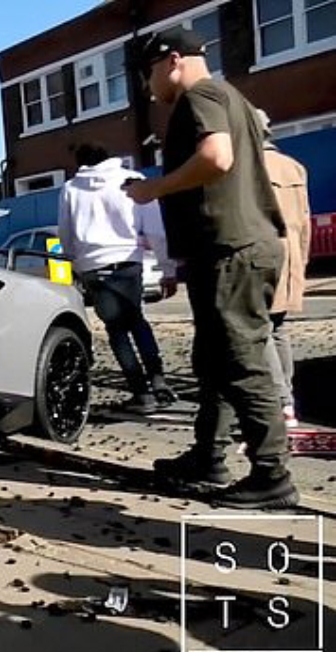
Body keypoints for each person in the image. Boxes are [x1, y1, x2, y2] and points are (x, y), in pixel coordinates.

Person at [125, 28, 295, 509]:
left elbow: (217, 158)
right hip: (228, 249)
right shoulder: (229, 96)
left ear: (173, 60)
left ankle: (272, 475)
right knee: (216, 363)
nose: (147, 88)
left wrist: (153, 190)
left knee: (241, 364)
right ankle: (208, 457)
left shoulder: (201, 95)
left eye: (148, 73)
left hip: (231, 251)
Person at [58, 143, 177, 412]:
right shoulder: (133, 180)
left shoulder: (70, 188)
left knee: (117, 331)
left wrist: (75, 264)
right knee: (137, 319)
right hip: (129, 262)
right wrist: (167, 270)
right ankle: (158, 379)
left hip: (93, 266)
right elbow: (156, 230)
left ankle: (141, 394)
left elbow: (65, 233)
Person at [256, 110, 311, 429]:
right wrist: (301, 262)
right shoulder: (294, 167)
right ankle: (287, 401)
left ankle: (280, 403)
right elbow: (304, 222)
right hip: (289, 258)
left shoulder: (246, 167)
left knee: (260, 331)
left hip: (261, 258)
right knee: (278, 330)